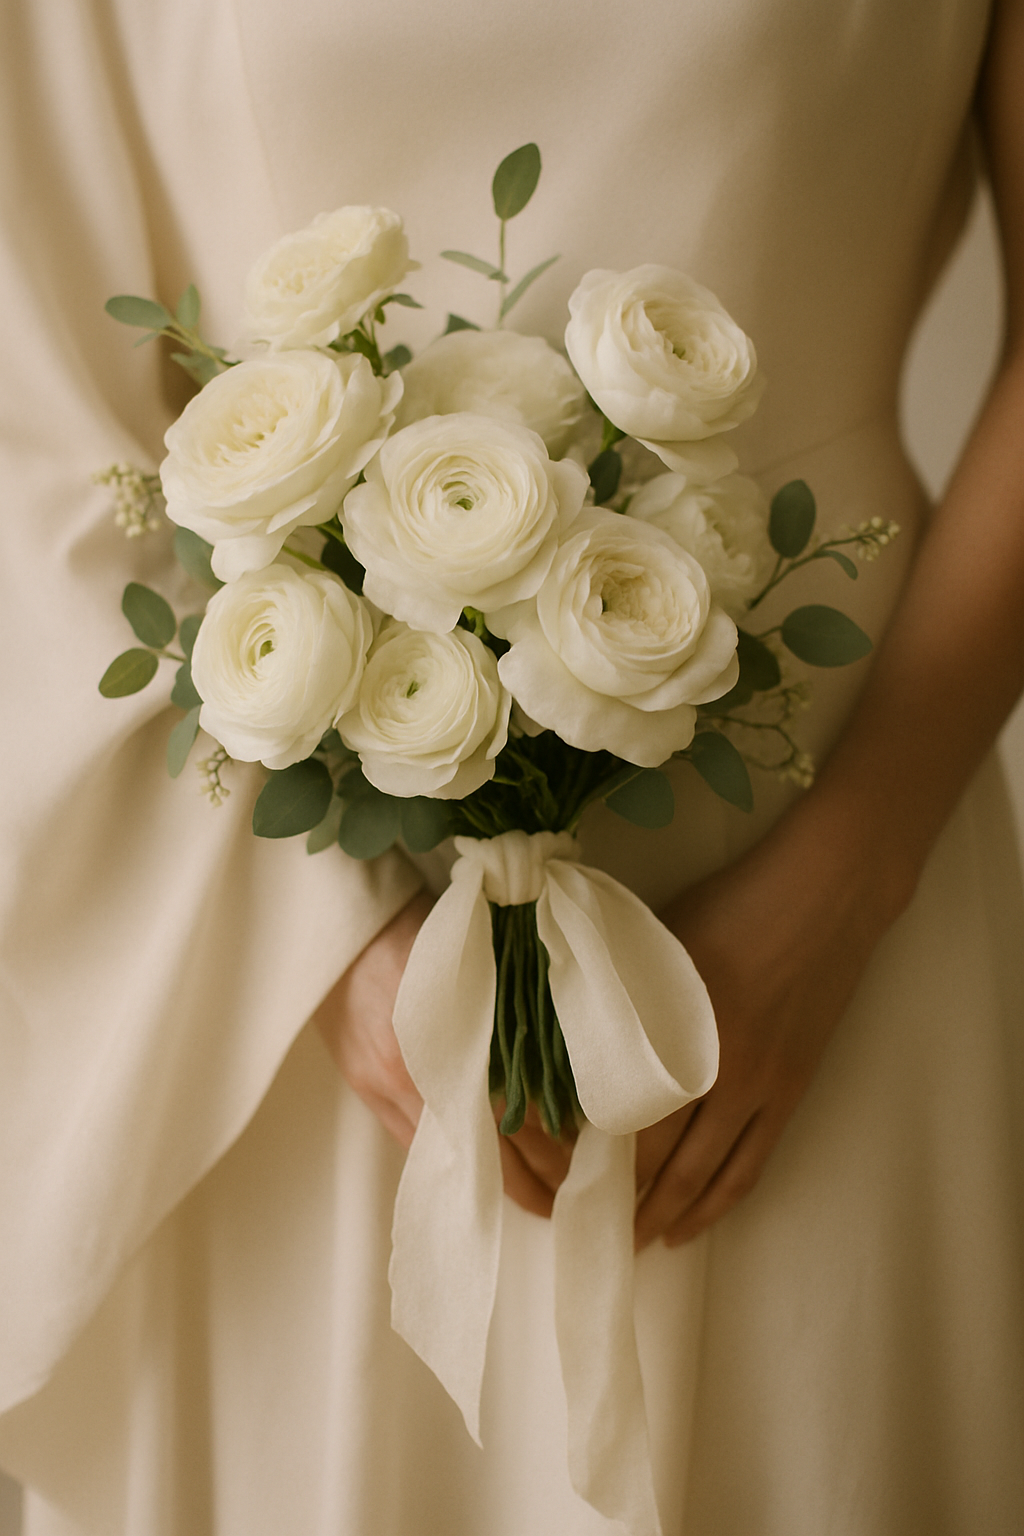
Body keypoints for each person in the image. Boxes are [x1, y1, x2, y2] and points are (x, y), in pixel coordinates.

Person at [1, 0, 1022, 1531]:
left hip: (835, 893)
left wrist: (846, 885)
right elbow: (28, 393)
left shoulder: (841, 904)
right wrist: (319, 939)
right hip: (279, 971)